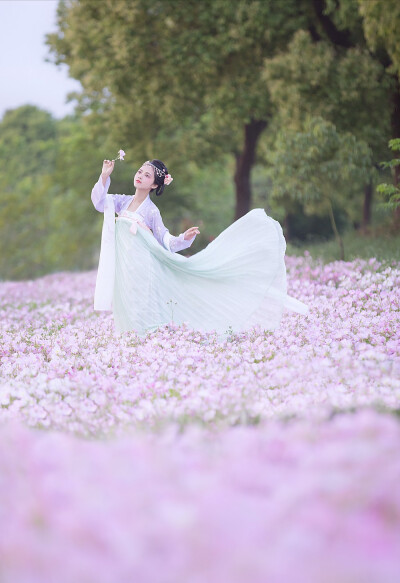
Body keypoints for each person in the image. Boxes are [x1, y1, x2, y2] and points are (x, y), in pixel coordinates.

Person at [91, 158, 309, 337]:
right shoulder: (122, 202)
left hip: (144, 266)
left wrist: (183, 239)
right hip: (126, 267)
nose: (140, 176)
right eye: (140, 172)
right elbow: (100, 202)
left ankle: (148, 338)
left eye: (147, 175)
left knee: (143, 300)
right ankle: (133, 340)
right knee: (127, 298)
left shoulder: (151, 211)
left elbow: (165, 240)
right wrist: (104, 175)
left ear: (155, 185)